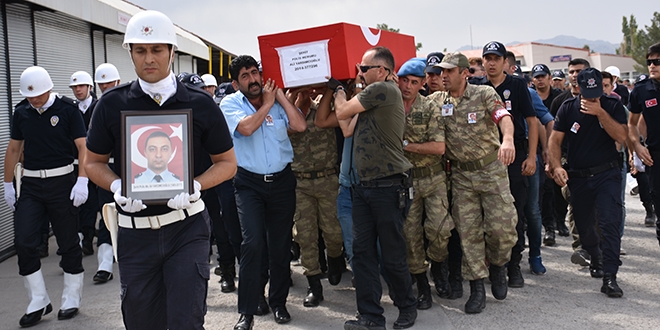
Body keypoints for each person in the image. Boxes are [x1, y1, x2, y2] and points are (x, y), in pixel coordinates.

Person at [85, 10, 237, 329]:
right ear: (130, 53)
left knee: (186, 320)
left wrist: (196, 185)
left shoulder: (200, 103)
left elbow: (227, 163)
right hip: (134, 232)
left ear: (172, 51)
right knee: (141, 322)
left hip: (186, 229)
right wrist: (116, 187)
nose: (148, 58)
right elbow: (93, 163)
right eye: (140, 50)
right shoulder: (111, 104)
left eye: (156, 49)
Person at [221, 55, 306, 330]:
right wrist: (268, 104)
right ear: (236, 84)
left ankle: (278, 302)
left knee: (280, 245)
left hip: (281, 182)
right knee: (253, 243)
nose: (253, 79)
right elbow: (245, 128)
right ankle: (247, 310)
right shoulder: (231, 103)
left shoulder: (276, 100)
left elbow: (300, 125)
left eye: (255, 73)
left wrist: (279, 97)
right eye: (244, 76)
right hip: (249, 184)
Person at [428, 52, 517, 314]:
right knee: (468, 234)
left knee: (502, 230)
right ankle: (477, 287)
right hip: (461, 177)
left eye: (449, 71)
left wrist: (508, 140)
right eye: (441, 71)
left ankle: (499, 266)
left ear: (464, 72)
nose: (443, 76)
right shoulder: (436, 101)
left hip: (491, 171)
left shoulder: (484, 94)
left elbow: (504, 117)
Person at [335, 46, 417, 330]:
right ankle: (370, 316)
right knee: (362, 255)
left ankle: (407, 306)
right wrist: (351, 93)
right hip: (363, 188)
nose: (359, 72)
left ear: (382, 71)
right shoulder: (370, 97)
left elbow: (342, 110)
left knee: (392, 254)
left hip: (388, 187)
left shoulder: (382, 90)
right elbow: (346, 127)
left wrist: (338, 92)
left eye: (364, 68)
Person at [4, 66, 88, 326]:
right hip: (30, 184)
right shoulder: (22, 112)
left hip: (63, 182)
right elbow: (14, 148)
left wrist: (82, 180)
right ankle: (38, 299)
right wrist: (7, 184)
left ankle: (71, 297)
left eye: (39, 95)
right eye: (30, 96)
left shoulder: (68, 110)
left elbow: (83, 147)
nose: (34, 100)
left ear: (49, 88)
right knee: (25, 242)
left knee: (68, 242)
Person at [547, 68, 627, 297]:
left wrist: (600, 113)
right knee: (584, 228)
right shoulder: (567, 108)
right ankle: (596, 257)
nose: (592, 97)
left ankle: (610, 277)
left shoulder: (611, 106)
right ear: (578, 88)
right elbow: (555, 141)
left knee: (609, 224)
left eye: (596, 92)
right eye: (587, 92)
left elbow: (622, 136)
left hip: (607, 175)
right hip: (579, 177)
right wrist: (557, 166)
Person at [397, 58, 454, 310]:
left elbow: (439, 147)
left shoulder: (430, 107)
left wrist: (407, 146)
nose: (407, 86)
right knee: (410, 236)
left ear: (422, 84)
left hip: (432, 178)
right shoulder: (390, 107)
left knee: (440, 230)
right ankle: (422, 285)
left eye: (413, 82)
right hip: (404, 180)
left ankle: (439, 267)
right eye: (403, 81)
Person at [483, 42, 538, 287]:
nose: (492, 62)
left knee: (515, 214)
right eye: (488, 58)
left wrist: (532, 156)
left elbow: (532, 121)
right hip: (486, 159)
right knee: (488, 216)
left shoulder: (516, 85)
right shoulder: (477, 87)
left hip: (515, 157)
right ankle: (494, 264)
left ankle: (514, 266)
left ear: (505, 61)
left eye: (497, 58)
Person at [287, 86, 344, 307]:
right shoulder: (288, 113)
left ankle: (335, 259)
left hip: (327, 179)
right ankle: (314, 285)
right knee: (305, 235)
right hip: (299, 181)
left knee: (334, 232)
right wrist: (292, 98)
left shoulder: (324, 109)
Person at [90, 63, 121, 284]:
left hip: (129, 168)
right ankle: (104, 264)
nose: (105, 87)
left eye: (109, 83)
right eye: (101, 84)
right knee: (106, 215)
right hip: (105, 169)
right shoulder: (98, 107)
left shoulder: (127, 103)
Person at [628, 42, 660, 246]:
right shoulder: (642, 90)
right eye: (649, 62)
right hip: (655, 156)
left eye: (657, 61)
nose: (652, 66)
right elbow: (631, 124)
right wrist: (637, 146)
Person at [69, 70, 99, 256]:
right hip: (75, 163)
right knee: (79, 203)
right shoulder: (70, 109)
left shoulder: (98, 106)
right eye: (74, 87)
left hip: (98, 162)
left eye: (81, 86)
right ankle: (83, 238)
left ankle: (92, 237)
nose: (77, 90)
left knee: (95, 201)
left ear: (90, 87)